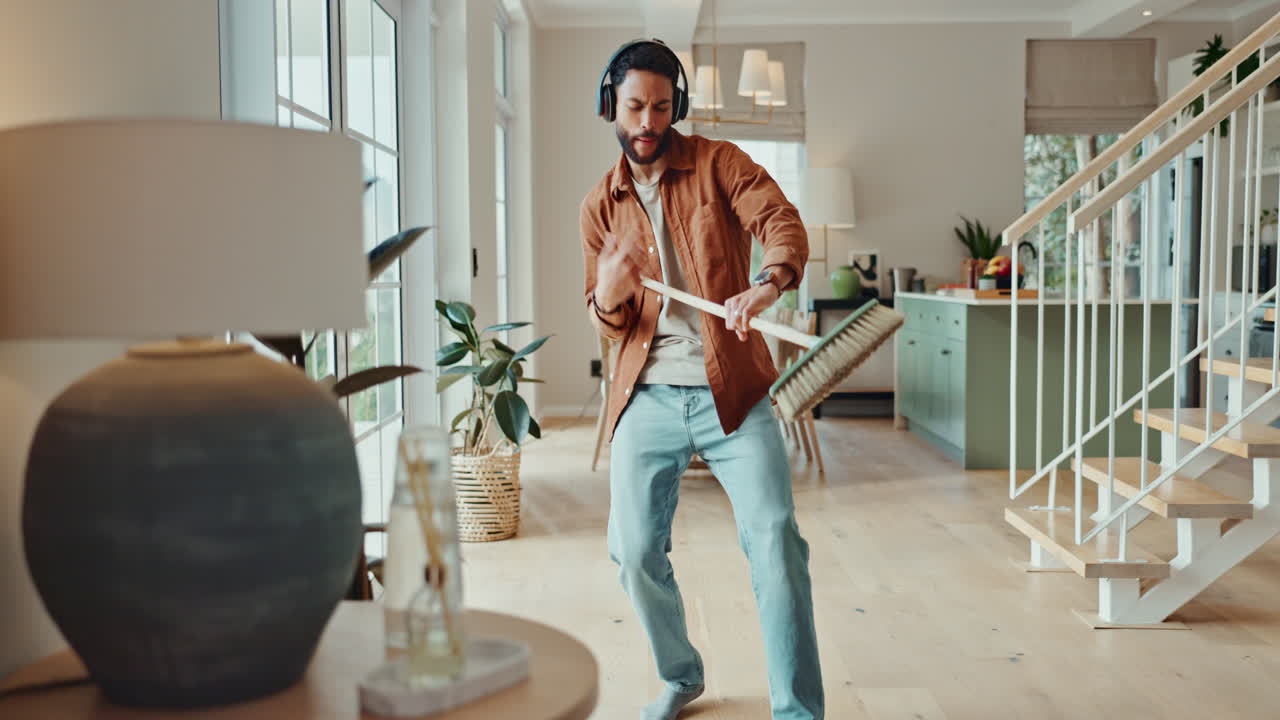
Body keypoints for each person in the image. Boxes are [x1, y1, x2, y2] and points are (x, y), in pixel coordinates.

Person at [579, 38, 824, 720]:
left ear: (676, 106)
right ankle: (681, 676)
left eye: (661, 107)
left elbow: (780, 221)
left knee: (776, 541)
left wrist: (768, 284)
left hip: (733, 394)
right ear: (612, 107)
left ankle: (799, 711)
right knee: (631, 553)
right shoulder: (600, 205)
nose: (648, 122)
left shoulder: (722, 164)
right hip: (647, 395)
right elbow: (606, 323)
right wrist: (607, 290)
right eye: (634, 107)